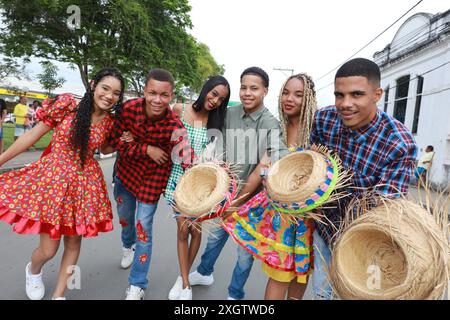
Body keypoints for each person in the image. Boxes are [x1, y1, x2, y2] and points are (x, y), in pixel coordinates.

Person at [0, 67, 125, 300]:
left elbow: (106, 147)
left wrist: (123, 140)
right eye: (105, 88)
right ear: (93, 85)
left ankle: (59, 294)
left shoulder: (110, 122)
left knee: (74, 244)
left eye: (116, 93)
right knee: (48, 250)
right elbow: (31, 136)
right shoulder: (68, 105)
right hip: (53, 180)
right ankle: (33, 270)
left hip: (85, 184)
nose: (109, 96)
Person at [310, 57, 417, 299]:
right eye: (339, 95)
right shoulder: (324, 119)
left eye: (356, 94)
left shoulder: (399, 144)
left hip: (364, 242)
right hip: (324, 229)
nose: (345, 104)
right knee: (322, 294)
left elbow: (384, 209)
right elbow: (313, 160)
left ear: (377, 94)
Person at [188, 67, 289, 300]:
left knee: (245, 253)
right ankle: (204, 272)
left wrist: (240, 199)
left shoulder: (270, 123)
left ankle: (235, 293)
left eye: (254, 88)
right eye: (243, 87)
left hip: (251, 200)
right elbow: (215, 144)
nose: (247, 93)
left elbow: (274, 159)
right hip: (224, 193)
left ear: (265, 91)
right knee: (215, 238)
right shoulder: (230, 114)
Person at [101, 68, 194, 300]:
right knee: (125, 219)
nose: (157, 100)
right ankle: (127, 244)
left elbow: (186, 158)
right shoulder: (128, 110)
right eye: (152, 93)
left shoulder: (174, 125)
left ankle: (137, 284)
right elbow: (111, 144)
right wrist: (147, 148)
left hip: (152, 184)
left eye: (164, 95)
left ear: (171, 96)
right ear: (144, 91)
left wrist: (199, 177)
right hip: (125, 176)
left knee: (144, 231)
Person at [223, 73, 318, 300]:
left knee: (300, 275)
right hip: (283, 218)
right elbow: (259, 169)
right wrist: (236, 202)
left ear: (309, 100)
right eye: (285, 93)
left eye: (298, 94)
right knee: (279, 276)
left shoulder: (318, 131)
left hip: (310, 219)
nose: (289, 99)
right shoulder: (279, 130)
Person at [166, 76, 230, 300]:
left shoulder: (216, 124)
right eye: (213, 94)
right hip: (176, 181)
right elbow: (162, 134)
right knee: (183, 230)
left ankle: (181, 275)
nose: (215, 101)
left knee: (196, 231)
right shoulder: (179, 109)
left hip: (200, 186)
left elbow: (211, 157)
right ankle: (185, 283)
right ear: (205, 90)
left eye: (221, 99)